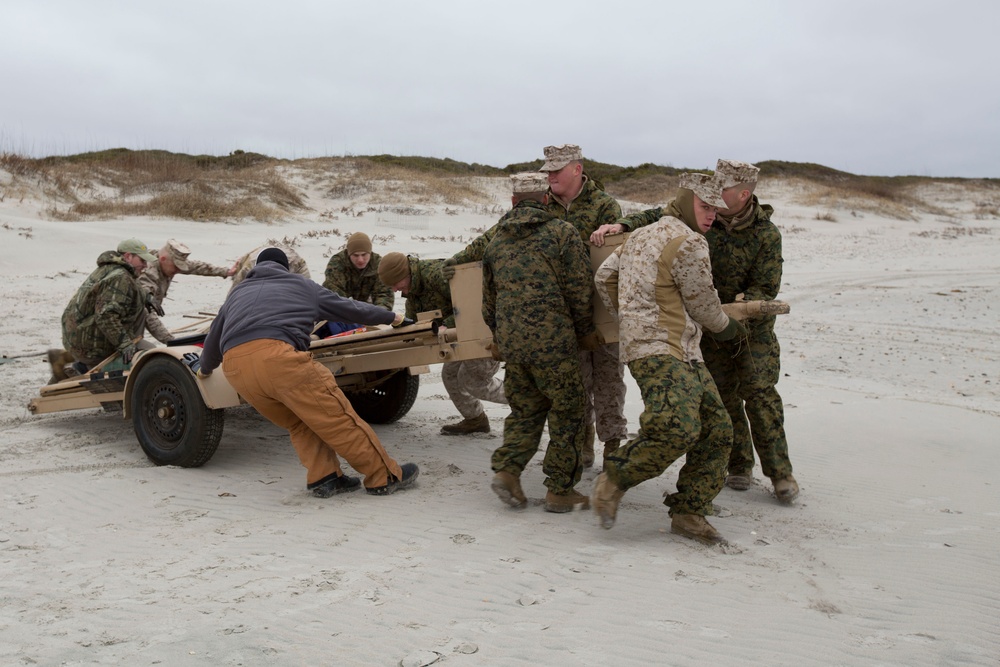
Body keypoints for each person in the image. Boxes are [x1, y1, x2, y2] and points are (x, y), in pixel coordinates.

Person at [591, 174, 746, 545]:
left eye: (715, 210)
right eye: (705, 207)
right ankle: (615, 477)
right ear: (686, 201)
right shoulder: (690, 242)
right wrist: (728, 329)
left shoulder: (641, 234)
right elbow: (704, 305)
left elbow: (605, 275)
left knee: (717, 429)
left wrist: (629, 316)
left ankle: (689, 511)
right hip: (661, 351)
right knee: (677, 426)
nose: (710, 216)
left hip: (679, 349)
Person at [197, 247, 419, 497]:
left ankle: (324, 478)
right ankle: (384, 476)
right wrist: (393, 318)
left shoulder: (237, 293)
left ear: (256, 269)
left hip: (236, 369)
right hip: (278, 358)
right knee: (337, 418)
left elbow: (213, 338)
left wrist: (204, 369)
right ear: (285, 268)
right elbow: (351, 309)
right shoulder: (301, 285)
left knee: (299, 421)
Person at [483, 172, 600, 513]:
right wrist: (584, 331)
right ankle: (560, 490)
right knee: (569, 410)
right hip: (554, 344)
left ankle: (508, 470)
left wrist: (499, 337)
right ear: (546, 199)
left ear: (513, 203)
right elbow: (579, 291)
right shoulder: (562, 234)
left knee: (525, 410)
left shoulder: (496, 244)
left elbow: (488, 302)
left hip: (514, 344)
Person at [702, 159, 798, 503]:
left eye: (723, 187)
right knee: (723, 397)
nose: (715, 192)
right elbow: (660, 216)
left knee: (760, 397)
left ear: (743, 194)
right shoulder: (703, 221)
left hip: (752, 333)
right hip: (711, 331)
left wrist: (739, 310)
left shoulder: (766, 234)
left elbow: (765, 287)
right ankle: (738, 464)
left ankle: (781, 473)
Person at [539, 144, 628, 468]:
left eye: (557, 169)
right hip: (563, 314)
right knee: (575, 383)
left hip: (603, 312)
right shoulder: (543, 209)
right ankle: (584, 443)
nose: (550, 176)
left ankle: (614, 444)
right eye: (547, 170)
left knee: (609, 380)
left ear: (577, 169)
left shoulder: (604, 206)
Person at [378, 251, 508, 435]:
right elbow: (414, 319)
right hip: (458, 337)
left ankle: (528, 397)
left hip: (481, 331)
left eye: (394, 284)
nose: (393, 290)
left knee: (473, 381)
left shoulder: (436, 275)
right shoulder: (413, 289)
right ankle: (475, 420)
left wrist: (446, 325)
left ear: (404, 275)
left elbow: (476, 302)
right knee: (451, 375)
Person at [60, 238, 160, 373]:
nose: (145, 265)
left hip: (78, 339)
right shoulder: (120, 277)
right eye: (142, 260)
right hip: (90, 348)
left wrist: (146, 296)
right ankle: (88, 367)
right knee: (150, 356)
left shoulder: (111, 269)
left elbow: (127, 290)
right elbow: (106, 316)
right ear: (128, 256)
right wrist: (124, 344)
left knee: (140, 312)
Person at [139, 239, 237, 344]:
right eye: (176, 267)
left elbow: (195, 266)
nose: (178, 270)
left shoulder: (165, 261)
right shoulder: (149, 274)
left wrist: (226, 272)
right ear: (163, 259)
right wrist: (171, 341)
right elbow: (147, 312)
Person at [323, 232, 394, 310]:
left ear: (370, 253)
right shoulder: (337, 263)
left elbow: (385, 293)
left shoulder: (379, 264)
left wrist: (380, 312)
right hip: (342, 307)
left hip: (367, 305)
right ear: (349, 254)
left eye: (364, 255)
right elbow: (335, 293)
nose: (360, 260)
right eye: (355, 255)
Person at [230, 243, 310, 289]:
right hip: (289, 258)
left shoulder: (247, 268)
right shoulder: (247, 267)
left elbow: (232, 297)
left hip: (292, 261)